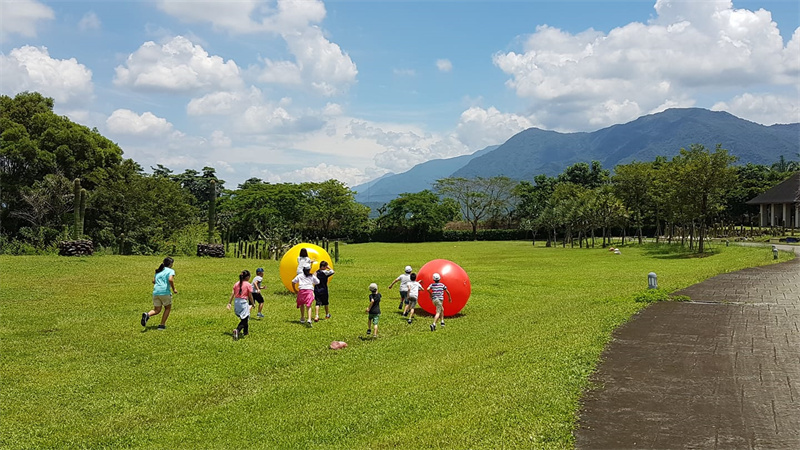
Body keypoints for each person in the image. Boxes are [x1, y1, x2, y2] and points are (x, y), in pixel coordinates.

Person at [141, 257, 177, 330]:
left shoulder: (159, 270)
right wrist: (174, 289)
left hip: (156, 292)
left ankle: (147, 314)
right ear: (170, 264)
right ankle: (162, 325)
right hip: (165, 292)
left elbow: (153, 281)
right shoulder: (171, 271)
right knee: (167, 308)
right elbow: (170, 279)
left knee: (157, 310)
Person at [227, 270, 254, 341]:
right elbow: (250, 296)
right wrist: (252, 303)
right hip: (243, 302)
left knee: (245, 318)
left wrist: (229, 303)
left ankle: (246, 332)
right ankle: (237, 330)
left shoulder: (236, 283)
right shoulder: (248, 284)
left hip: (236, 302)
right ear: (247, 277)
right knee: (245, 319)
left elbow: (232, 294)